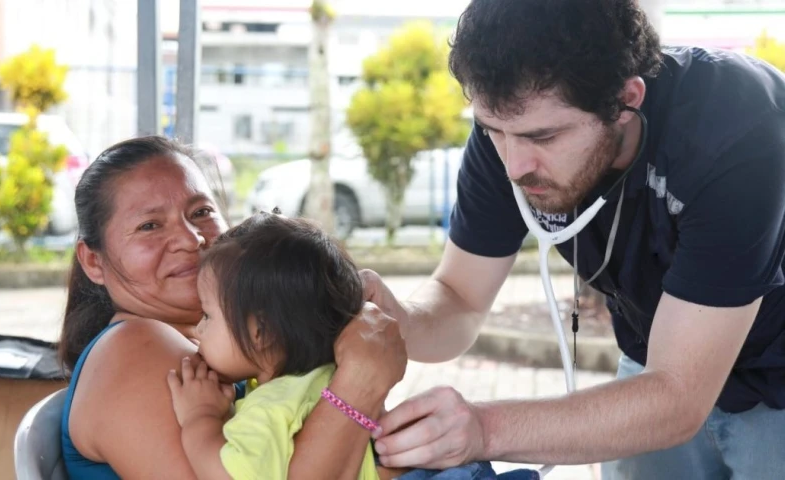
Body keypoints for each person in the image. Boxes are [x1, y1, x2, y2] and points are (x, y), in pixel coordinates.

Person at [362, 1, 785, 479]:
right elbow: (459, 297)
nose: (514, 167)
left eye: (543, 138)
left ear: (626, 100)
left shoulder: (735, 129)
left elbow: (677, 397)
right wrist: (394, 320)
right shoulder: (510, 132)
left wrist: (483, 429)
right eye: (493, 130)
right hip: (655, 365)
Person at [57, 136, 408, 479]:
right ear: (93, 261)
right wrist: (359, 382)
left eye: (201, 212)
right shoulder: (134, 348)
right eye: (149, 225)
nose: (191, 238)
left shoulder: (238, 348)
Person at [165, 212, 533, 480]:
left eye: (208, 316)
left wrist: (201, 418)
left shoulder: (273, 405)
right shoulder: (330, 373)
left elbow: (229, 475)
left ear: (260, 331)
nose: (198, 329)